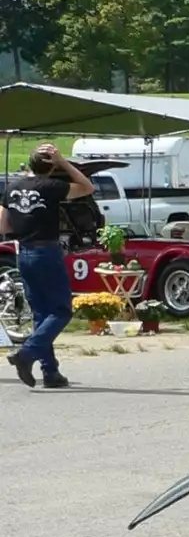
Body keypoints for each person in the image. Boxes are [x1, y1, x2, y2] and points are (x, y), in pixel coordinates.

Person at [5, 144, 93, 389]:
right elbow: (87, 187)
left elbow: (3, 225)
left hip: (23, 251)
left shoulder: (12, 187)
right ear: (51, 166)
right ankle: (27, 353)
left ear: (30, 163)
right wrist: (63, 162)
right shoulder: (52, 186)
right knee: (61, 311)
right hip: (47, 251)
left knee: (41, 314)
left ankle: (50, 372)